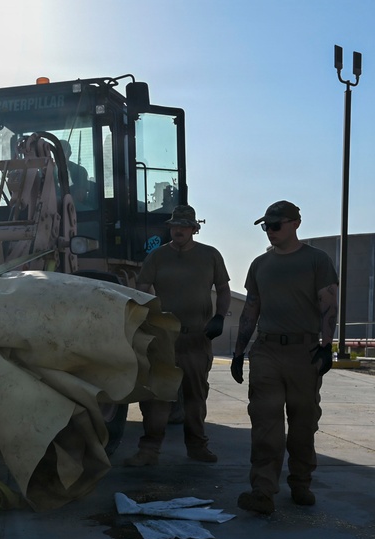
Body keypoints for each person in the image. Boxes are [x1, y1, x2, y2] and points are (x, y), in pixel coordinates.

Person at [231, 200, 338, 515]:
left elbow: (328, 305)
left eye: (275, 225)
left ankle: (301, 482)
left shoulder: (317, 261)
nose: (270, 232)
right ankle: (262, 491)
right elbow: (251, 309)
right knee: (265, 421)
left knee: (303, 422)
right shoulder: (260, 265)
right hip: (266, 352)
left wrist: (326, 346)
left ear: (295, 224)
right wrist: (239, 352)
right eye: (266, 226)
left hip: (303, 353)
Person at [124, 205, 231, 467]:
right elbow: (141, 293)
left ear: (195, 229)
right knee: (157, 396)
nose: (178, 230)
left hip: (196, 338)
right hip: (163, 339)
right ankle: (149, 450)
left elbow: (224, 289)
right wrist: (142, 322)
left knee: (195, 396)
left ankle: (197, 446)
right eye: (174, 226)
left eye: (184, 226)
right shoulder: (157, 257)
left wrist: (219, 317)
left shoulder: (210, 255)